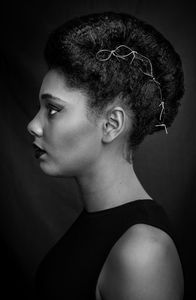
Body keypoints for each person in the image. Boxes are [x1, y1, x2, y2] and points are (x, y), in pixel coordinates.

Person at [27, 11, 184, 300]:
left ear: (111, 124)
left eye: (53, 110)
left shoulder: (143, 252)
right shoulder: (98, 222)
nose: (33, 125)